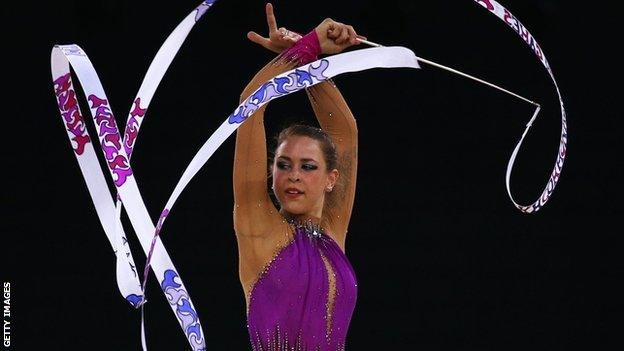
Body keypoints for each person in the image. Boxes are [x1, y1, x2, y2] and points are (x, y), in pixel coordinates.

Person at [233, 3, 364, 350]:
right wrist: (308, 48)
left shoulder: (331, 233)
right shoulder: (258, 227)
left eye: (308, 167)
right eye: (283, 164)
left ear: (331, 179)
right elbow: (252, 104)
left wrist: (305, 54)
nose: (293, 176)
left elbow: (344, 132)